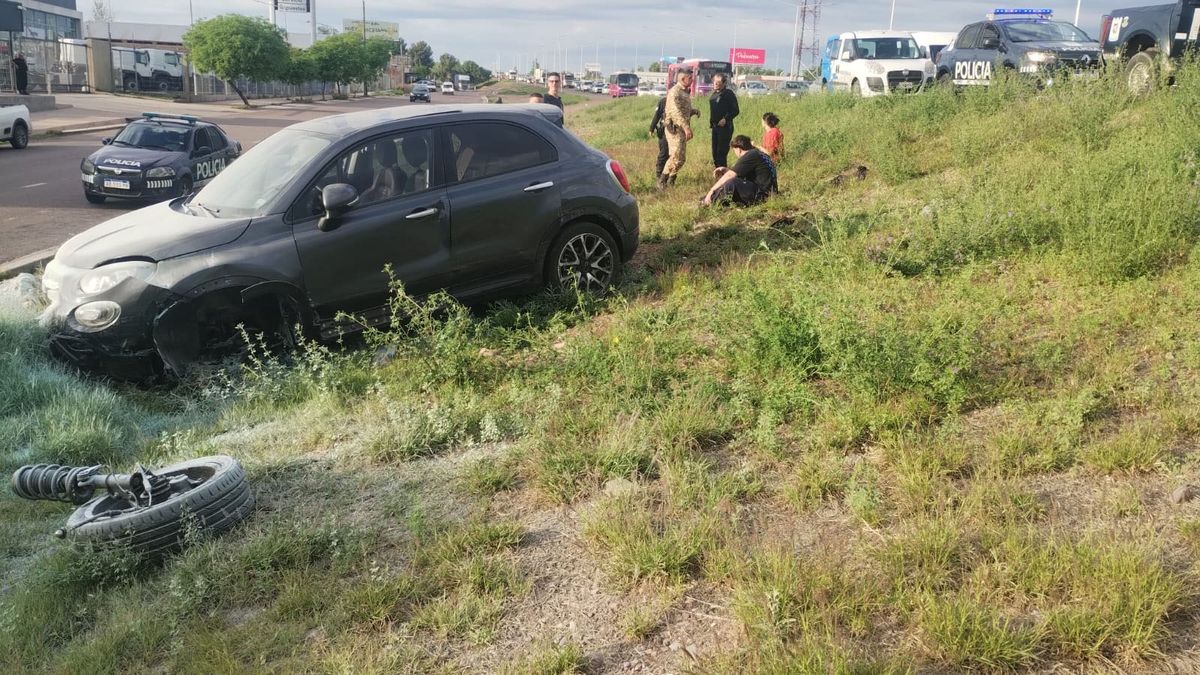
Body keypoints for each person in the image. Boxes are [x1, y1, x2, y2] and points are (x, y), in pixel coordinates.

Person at [702, 135, 778, 207]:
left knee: (732, 182)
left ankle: (709, 201)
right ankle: (712, 198)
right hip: (769, 192)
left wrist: (711, 190)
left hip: (763, 195)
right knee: (734, 181)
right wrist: (727, 170)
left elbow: (731, 175)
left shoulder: (750, 155)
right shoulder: (758, 154)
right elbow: (742, 173)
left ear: (738, 149)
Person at [658, 68, 701, 190]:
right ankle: (662, 180)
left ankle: (672, 179)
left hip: (681, 128)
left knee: (681, 158)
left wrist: (693, 111)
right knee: (675, 155)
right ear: (682, 79)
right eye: (690, 78)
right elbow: (675, 112)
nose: (692, 81)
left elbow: (683, 110)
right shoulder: (674, 92)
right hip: (675, 128)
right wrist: (687, 127)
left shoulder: (684, 92)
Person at [709, 74, 739, 171]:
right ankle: (718, 171)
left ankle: (723, 174)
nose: (716, 84)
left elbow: (735, 110)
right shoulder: (714, 94)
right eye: (714, 82)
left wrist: (726, 119)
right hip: (715, 127)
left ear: (724, 83)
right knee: (714, 152)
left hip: (725, 127)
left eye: (719, 82)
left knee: (721, 152)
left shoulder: (728, 93)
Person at [648, 95, 669, 178]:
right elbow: (656, 115)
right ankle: (659, 176)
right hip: (664, 132)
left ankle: (669, 177)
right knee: (663, 153)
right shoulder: (663, 101)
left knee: (673, 156)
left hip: (676, 133)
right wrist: (651, 129)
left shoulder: (680, 100)